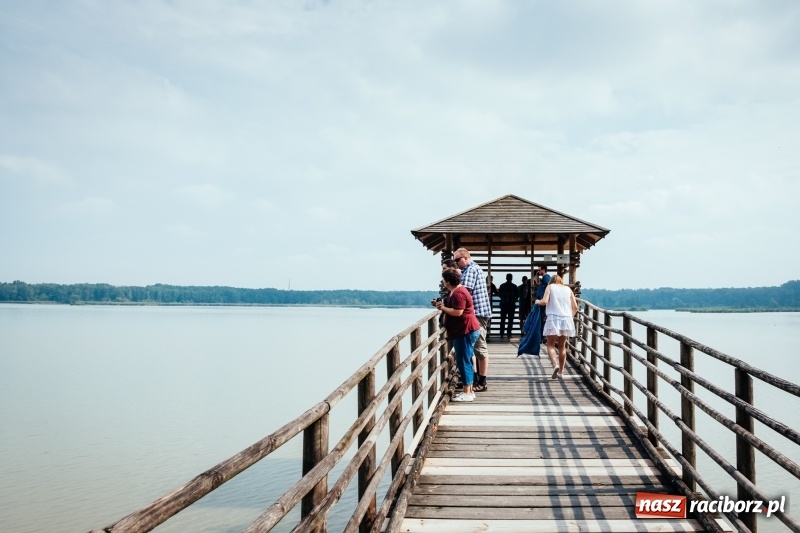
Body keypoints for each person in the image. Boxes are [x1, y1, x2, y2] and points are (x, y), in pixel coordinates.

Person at [436, 269, 481, 402]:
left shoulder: (459, 293)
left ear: (448, 281)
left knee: (463, 360)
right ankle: (470, 390)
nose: (443, 282)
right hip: (465, 330)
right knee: (466, 359)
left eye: (444, 279)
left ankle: (467, 393)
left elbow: (458, 312)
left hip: (465, 331)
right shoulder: (456, 291)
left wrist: (443, 308)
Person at [453, 247, 492, 392]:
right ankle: (472, 379)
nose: (456, 263)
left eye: (458, 260)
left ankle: (482, 381)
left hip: (477, 314)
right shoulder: (470, 269)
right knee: (472, 347)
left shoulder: (471, 269)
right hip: (477, 313)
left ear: (466, 258)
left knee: (480, 348)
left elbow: (464, 291)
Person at [534, 274, 578, 379]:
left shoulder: (550, 287)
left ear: (551, 281)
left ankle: (555, 365)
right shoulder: (568, 289)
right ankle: (561, 372)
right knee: (562, 346)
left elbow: (544, 301)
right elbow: (575, 307)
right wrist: (569, 317)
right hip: (566, 319)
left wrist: (537, 302)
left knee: (550, 345)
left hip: (553, 318)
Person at [498, 273, 518, 338]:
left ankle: (501, 333)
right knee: (510, 320)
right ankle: (509, 333)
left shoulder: (502, 286)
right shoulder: (514, 286)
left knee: (502, 320)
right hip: (511, 305)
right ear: (511, 278)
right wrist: (514, 300)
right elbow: (517, 295)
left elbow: (499, 294)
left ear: (506, 278)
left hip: (503, 305)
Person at [534, 265, 551, 342]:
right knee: (541, 319)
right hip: (541, 301)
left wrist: (544, 296)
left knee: (542, 319)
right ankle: (541, 336)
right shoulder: (543, 278)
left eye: (539, 270)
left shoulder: (546, 277)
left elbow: (549, 285)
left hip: (543, 302)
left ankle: (541, 337)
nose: (538, 271)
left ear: (544, 270)